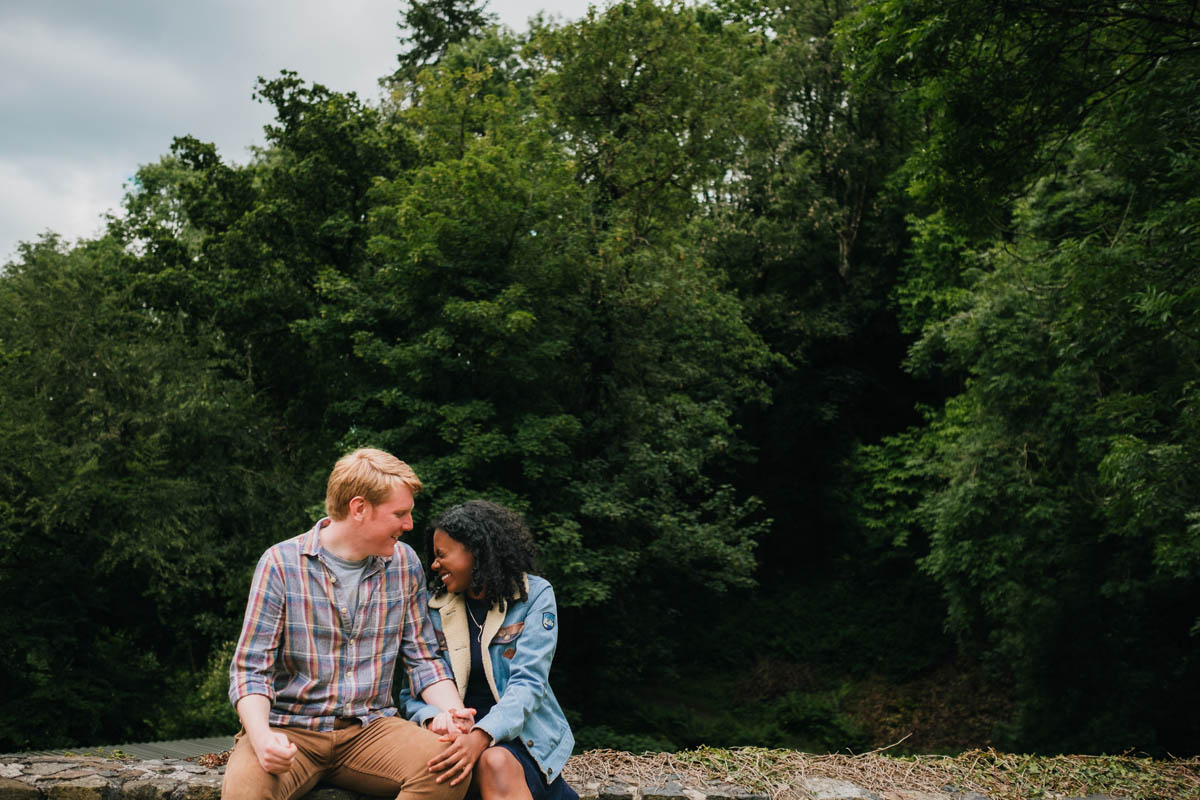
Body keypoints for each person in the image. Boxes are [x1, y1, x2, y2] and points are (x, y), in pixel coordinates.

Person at [223, 448, 474, 800]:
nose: (409, 525)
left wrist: (452, 712)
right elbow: (250, 670)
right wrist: (262, 738)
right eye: (399, 514)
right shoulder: (280, 564)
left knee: (448, 765)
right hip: (290, 729)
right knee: (244, 794)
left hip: (371, 730)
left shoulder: (405, 564)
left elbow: (424, 659)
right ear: (359, 509)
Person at [403, 500, 578, 800]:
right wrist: (434, 718)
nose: (433, 565)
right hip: (455, 741)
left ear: (475, 552)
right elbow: (412, 692)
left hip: (518, 738)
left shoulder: (534, 597)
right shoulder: (433, 609)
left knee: (493, 761)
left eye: (442, 555)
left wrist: (481, 736)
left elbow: (529, 684)